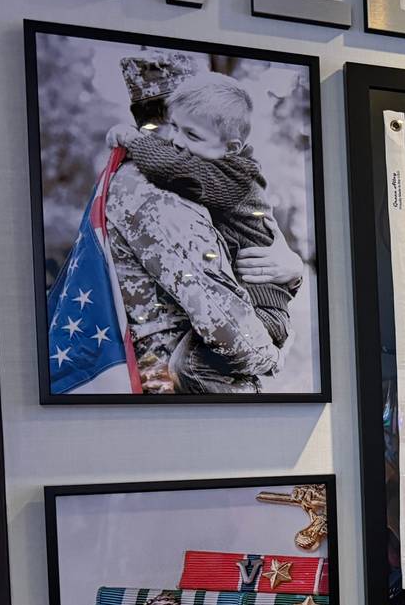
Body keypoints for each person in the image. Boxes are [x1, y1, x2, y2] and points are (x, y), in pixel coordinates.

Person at [102, 53, 301, 394]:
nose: (180, 140)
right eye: (177, 126)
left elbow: (259, 241)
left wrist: (293, 269)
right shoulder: (158, 189)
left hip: (216, 366)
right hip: (178, 386)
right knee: (189, 365)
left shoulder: (211, 175)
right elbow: (227, 328)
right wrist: (273, 356)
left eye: (193, 131)